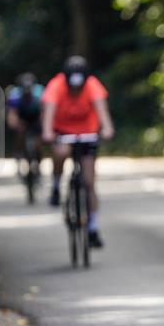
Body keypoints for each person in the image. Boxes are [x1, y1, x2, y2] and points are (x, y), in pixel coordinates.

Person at [41, 56, 115, 248]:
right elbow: (49, 111)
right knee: (61, 152)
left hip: (87, 133)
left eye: (79, 86)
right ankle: (56, 185)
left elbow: (102, 110)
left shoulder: (92, 85)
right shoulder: (56, 86)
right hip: (63, 132)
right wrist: (48, 132)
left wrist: (107, 128)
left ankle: (93, 228)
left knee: (90, 182)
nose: (75, 90)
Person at [6, 72, 44, 172]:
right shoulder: (15, 94)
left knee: (38, 141)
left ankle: (38, 160)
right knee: (20, 133)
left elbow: (44, 112)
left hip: (35, 116)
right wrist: (15, 125)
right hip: (22, 115)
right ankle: (18, 151)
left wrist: (42, 126)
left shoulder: (40, 93)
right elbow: (12, 113)